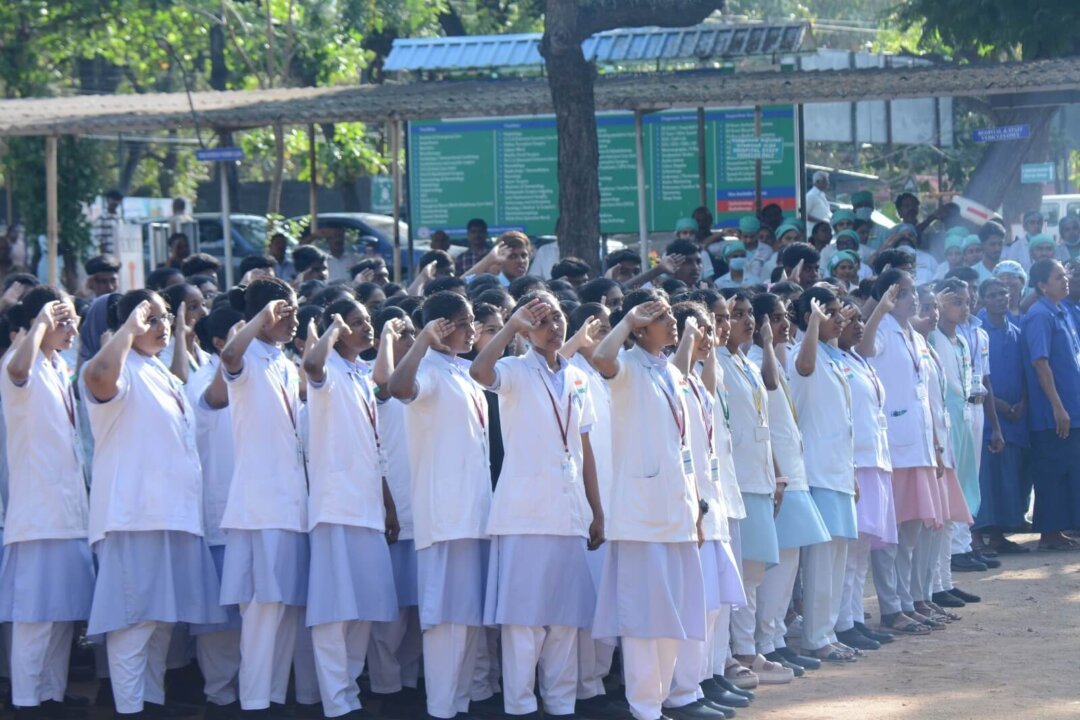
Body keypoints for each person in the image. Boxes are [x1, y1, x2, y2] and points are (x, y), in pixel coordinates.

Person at [83, 289, 226, 716]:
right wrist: (130, 327)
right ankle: (130, 708)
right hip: (134, 516)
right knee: (134, 620)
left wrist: (173, 333)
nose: (162, 326)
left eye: (164, 317)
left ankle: (150, 702)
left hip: (172, 514)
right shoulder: (119, 364)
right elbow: (97, 378)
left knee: (161, 619)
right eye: (153, 319)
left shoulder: (156, 368)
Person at [469, 292, 604, 719]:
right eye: (541, 321)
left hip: (568, 512)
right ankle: (521, 706)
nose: (553, 327)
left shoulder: (576, 376)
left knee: (564, 620)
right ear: (526, 330)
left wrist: (597, 510)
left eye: (557, 318)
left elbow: (584, 448)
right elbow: (479, 371)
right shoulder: (513, 369)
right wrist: (511, 325)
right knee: (524, 621)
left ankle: (561, 705)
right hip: (525, 515)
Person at [589, 288, 706, 720]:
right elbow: (601, 358)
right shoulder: (627, 366)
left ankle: (658, 704)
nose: (672, 321)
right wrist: (626, 321)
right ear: (639, 328)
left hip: (677, 513)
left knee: (673, 617)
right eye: (660, 316)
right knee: (643, 619)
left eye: (670, 313)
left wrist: (696, 512)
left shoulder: (668, 370)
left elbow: (682, 447)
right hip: (640, 518)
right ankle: (643, 709)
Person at [387, 291, 493, 720]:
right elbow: (398, 387)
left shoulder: (464, 370)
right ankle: (442, 708)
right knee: (445, 621)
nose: (471, 330)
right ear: (441, 327)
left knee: (467, 619)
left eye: (471, 322)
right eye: (463, 323)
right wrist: (422, 341)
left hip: (475, 513)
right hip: (445, 516)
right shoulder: (427, 368)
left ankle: (459, 704)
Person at [209, 278, 309, 714]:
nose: (293, 320)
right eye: (285, 312)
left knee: (284, 605)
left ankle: (272, 697)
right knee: (262, 609)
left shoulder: (283, 361)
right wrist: (258, 320)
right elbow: (228, 357)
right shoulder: (246, 352)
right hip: (260, 504)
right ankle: (254, 702)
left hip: (289, 502)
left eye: (295, 311)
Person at [302, 298, 400, 718]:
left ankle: (349, 694)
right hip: (335, 507)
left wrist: (388, 505)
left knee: (364, 607)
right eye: (357, 323)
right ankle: (336, 702)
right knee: (333, 611)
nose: (367, 328)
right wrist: (332, 329)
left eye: (367, 321)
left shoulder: (361, 374)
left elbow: (376, 449)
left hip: (368, 507)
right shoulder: (326, 371)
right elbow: (310, 364)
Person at [0, 288, 96, 714]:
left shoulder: (58, 365)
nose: (72, 328)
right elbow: (18, 369)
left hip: (69, 511)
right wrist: (39, 323)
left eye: (74, 319)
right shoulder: (19, 361)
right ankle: (26, 700)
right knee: (35, 617)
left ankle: (52, 694)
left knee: (62, 613)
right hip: (38, 514)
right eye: (63, 320)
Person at [743, 293, 831, 671]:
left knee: (789, 563)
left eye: (784, 317)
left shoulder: (776, 359)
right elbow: (768, 388)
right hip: (778, 478)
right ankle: (766, 641)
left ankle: (776, 637)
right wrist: (766, 343)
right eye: (775, 318)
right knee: (775, 569)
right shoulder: (755, 360)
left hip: (793, 474)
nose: (784, 324)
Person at [863, 270, 949, 633]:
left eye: (913, 292)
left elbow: (924, 397)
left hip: (920, 446)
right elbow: (865, 350)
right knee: (891, 535)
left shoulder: (914, 334)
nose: (914, 299)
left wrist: (937, 447)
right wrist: (878, 311)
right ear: (889, 296)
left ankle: (908, 601)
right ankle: (891, 608)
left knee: (912, 532)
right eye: (906, 293)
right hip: (894, 449)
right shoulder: (882, 329)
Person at [716, 291, 789, 689]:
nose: (745, 321)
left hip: (758, 478)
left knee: (755, 570)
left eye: (748, 314)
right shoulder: (715, 363)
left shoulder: (745, 361)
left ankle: (746, 648)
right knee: (740, 573)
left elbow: (766, 411)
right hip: (736, 481)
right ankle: (735, 653)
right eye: (736, 314)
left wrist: (776, 473)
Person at [788, 287, 861, 662]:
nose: (839, 318)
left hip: (838, 470)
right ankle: (816, 637)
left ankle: (827, 632)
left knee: (836, 559)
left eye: (838, 312)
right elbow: (804, 368)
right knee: (820, 562)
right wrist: (816, 324)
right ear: (809, 317)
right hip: (817, 471)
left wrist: (852, 472)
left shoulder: (834, 355)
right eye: (829, 312)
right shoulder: (802, 353)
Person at [834, 293, 900, 649]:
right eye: (851, 320)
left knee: (861, 552)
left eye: (861, 319)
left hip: (875, 461)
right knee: (849, 551)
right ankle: (843, 623)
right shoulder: (830, 359)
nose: (858, 326)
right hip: (855, 463)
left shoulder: (857, 359)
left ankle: (856, 618)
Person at [187, 307, 244, 719]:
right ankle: (220, 696)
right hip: (221, 514)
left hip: (255, 513)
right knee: (221, 620)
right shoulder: (202, 382)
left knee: (255, 613)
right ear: (221, 343)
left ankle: (251, 692)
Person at [366, 308, 423, 713]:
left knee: (418, 607)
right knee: (392, 611)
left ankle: (408, 680)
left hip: (425, 508)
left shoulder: (422, 376)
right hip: (394, 506)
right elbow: (384, 383)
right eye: (403, 335)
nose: (410, 340)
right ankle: (386, 688)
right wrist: (386, 337)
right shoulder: (378, 381)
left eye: (412, 333)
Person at [1020, 259, 1080, 551]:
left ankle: (1061, 530)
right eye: (1058, 277)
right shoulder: (1039, 315)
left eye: (1065, 275)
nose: (1065, 279)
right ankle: (1049, 534)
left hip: (1073, 406)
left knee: (1070, 470)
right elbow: (1040, 362)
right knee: (1052, 472)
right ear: (1043, 285)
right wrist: (1057, 406)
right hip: (1052, 413)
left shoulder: (1063, 311)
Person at [973, 279, 1030, 555]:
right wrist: (999, 405)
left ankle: (998, 537)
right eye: (993, 294)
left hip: (1015, 420)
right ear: (982, 300)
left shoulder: (1017, 332)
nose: (1000, 298)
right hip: (987, 417)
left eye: (1003, 294)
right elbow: (976, 377)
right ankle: (975, 538)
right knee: (985, 479)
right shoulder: (977, 332)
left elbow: (1027, 374)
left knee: (1008, 478)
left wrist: (1023, 403)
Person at [91, 190, 123, 256]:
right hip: (108, 255)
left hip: (119, 253)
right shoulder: (102, 218)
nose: (115, 202)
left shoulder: (119, 218)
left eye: (117, 200)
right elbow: (100, 240)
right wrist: (104, 257)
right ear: (108, 200)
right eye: (113, 199)